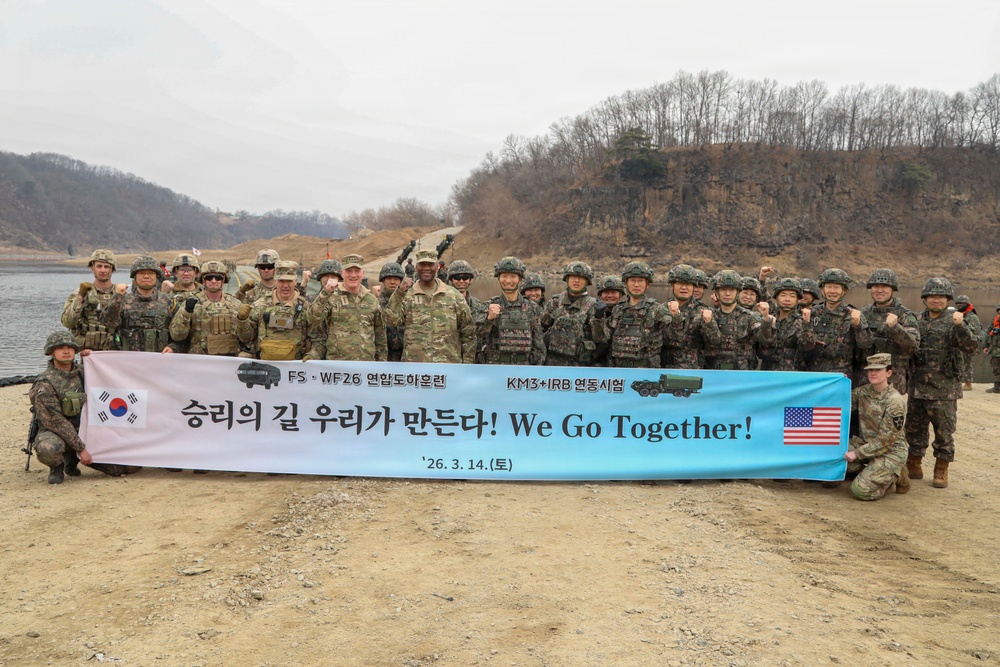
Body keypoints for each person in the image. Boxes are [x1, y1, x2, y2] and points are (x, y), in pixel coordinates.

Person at [29, 330, 140, 484]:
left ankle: (72, 458)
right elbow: (55, 421)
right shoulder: (44, 384)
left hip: (87, 430)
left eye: (70, 347)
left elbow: (111, 374)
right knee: (48, 448)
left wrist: (94, 359)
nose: (66, 351)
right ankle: (58, 466)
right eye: (60, 348)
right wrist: (81, 448)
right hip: (57, 432)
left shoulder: (85, 371)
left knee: (126, 468)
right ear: (50, 353)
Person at [905, 277, 979, 488]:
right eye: (932, 296)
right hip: (918, 387)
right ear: (925, 298)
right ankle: (914, 463)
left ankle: (941, 468)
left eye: (941, 296)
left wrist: (961, 326)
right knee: (914, 430)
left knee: (944, 432)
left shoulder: (956, 320)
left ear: (948, 299)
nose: (936, 300)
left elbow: (972, 347)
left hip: (944, 389)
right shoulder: (916, 320)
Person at [383, 249, 475, 363]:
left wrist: (467, 365)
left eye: (430, 264)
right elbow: (390, 321)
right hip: (415, 367)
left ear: (436, 268)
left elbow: (468, 333)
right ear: (416, 268)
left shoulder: (454, 296)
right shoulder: (406, 296)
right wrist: (399, 293)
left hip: (447, 366)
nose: (426, 268)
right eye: (422, 264)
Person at [842, 353, 910, 499]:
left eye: (878, 370)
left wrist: (857, 454)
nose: (873, 373)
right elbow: (842, 400)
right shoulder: (863, 392)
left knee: (860, 491)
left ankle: (894, 476)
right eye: (870, 370)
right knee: (834, 453)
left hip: (890, 450)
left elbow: (886, 441)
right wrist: (839, 383)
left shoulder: (894, 401)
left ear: (888, 373)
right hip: (867, 444)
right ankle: (874, 471)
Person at [305, 254, 386, 361]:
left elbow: (380, 337)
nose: (353, 275)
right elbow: (312, 318)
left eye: (357, 271)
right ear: (342, 273)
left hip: (365, 365)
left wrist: (381, 364)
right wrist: (325, 293)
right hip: (337, 365)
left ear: (363, 273)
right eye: (349, 271)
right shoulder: (331, 296)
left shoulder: (372, 300)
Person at [605, 261, 678, 368]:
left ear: (647, 284)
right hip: (620, 369)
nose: (636, 285)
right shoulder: (617, 309)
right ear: (625, 283)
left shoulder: (656, 309)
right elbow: (607, 338)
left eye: (640, 281)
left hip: (646, 370)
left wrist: (676, 316)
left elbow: (674, 337)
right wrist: (598, 320)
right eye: (632, 280)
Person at [804, 268, 872, 383]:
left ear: (844, 290)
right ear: (822, 289)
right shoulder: (812, 314)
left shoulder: (852, 314)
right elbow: (802, 347)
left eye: (836, 287)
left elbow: (866, 345)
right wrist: (806, 324)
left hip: (841, 377)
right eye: (829, 287)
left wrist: (858, 326)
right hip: (814, 376)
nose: (832, 291)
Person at [235, 261, 312, 360]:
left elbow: (317, 338)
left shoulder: (305, 307)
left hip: (295, 364)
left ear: (295, 281)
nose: (285, 285)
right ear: (275, 281)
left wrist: (312, 355)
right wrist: (242, 320)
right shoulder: (260, 305)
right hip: (265, 363)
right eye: (281, 281)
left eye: (289, 281)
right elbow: (246, 338)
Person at [701, 269, 776, 370]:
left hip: (742, 374)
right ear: (716, 292)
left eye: (732, 290)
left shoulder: (750, 317)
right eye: (723, 290)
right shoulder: (707, 316)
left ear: (737, 292)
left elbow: (766, 343)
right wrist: (709, 323)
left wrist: (766, 320)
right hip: (713, 373)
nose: (727, 294)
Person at [860, 269, 919, 394]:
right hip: (866, 379)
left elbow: (913, 346)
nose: (879, 290)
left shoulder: (904, 315)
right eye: (876, 286)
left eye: (885, 287)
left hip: (893, 381)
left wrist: (896, 328)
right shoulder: (864, 313)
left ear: (892, 289)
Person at [101, 254, 176, 353]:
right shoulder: (122, 301)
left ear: (157, 277)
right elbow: (110, 325)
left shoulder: (169, 301)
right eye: (141, 273)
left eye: (151, 273)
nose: (146, 276)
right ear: (134, 278)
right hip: (130, 359)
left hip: (160, 359)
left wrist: (173, 347)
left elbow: (180, 333)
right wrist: (117, 297)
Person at [478, 256, 546, 365]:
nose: (508, 280)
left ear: (520, 279)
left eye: (513, 276)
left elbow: (538, 344)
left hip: (523, 368)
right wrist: (488, 319)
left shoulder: (532, 307)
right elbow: (477, 335)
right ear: (498, 278)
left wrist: (535, 368)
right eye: (504, 276)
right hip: (495, 367)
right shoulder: (488, 306)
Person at [169, 260, 245, 356]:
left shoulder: (236, 304)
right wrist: (186, 313)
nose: (213, 281)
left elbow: (246, 337)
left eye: (218, 278)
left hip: (228, 360)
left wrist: (243, 320)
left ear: (223, 280)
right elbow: (177, 336)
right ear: (203, 280)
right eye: (209, 278)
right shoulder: (191, 303)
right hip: (199, 360)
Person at [540, 261, 606, 366]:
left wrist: (598, 318)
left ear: (587, 281)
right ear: (567, 279)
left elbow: (600, 339)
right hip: (553, 363)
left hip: (580, 366)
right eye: (573, 277)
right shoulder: (555, 302)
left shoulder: (593, 306)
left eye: (581, 278)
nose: (576, 281)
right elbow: (540, 328)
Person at [60, 248, 123, 351]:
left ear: (112, 269)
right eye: (99, 266)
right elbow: (68, 322)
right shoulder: (80, 293)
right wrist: (80, 297)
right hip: (87, 352)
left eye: (106, 266)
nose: (103, 270)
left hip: (114, 351)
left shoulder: (121, 294)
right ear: (92, 268)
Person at [759, 277, 814, 371]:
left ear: (797, 299)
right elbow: (763, 346)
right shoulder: (769, 318)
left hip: (792, 374)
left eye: (792, 296)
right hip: (767, 373)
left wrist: (806, 325)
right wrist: (767, 322)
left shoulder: (802, 322)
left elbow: (807, 347)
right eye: (783, 295)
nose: (787, 299)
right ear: (776, 297)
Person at [661, 264, 710, 369]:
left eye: (688, 284)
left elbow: (713, 342)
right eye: (679, 283)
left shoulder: (702, 310)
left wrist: (710, 324)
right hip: (666, 368)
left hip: (694, 369)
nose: (684, 287)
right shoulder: (661, 309)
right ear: (672, 285)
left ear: (693, 287)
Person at [954, 294, 984, 390]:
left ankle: (968, 383)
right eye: (957, 303)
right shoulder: (960, 314)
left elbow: (975, 330)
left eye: (961, 304)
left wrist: (963, 324)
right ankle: (958, 381)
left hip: (969, 343)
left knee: (967, 362)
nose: (959, 305)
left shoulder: (972, 316)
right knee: (957, 361)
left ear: (967, 304)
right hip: (959, 342)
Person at [378, 262, 406, 361]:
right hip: (385, 353)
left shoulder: (408, 301)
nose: (393, 282)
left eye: (396, 279)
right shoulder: (376, 302)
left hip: (405, 353)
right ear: (383, 280)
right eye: (389, 279)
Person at [985, 305, 1000, 394]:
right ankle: (997, 387)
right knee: (996, 369)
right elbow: (988, 333)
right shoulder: (995, 320)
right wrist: (986, 346)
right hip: (996, 350)